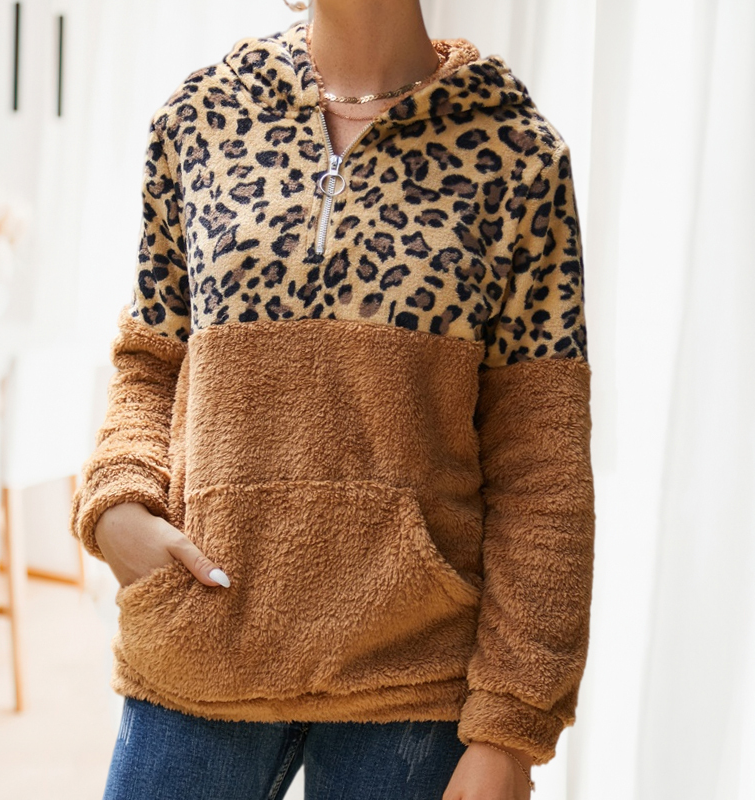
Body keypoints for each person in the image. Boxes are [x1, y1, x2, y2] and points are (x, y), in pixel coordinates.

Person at [70, 0, 596, 798]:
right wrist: (117, 507)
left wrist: (511, 728)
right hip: (203, 638)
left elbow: (542, 462)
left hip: (414, 680)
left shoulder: (518, 157)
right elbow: (151, 361)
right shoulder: (199, 117)